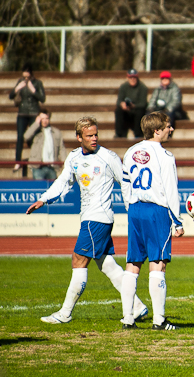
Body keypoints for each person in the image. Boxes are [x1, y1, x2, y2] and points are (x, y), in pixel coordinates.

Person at [26, 116, 148, 324]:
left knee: (78, 259)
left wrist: (133, 211)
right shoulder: (73, 157)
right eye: (89, 135)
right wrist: (43, 199)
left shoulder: (108, 157)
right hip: (89, 218)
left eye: (96, 134)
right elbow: (63, 181)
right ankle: (137, 306)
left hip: (98, 218)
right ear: (78, 137)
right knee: (106, 264)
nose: (94, 138)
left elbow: (126, 183)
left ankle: (65, 313)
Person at [120, 111, 184, 330]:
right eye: (168, 126)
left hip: (135, 209)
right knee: (158, 264)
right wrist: (177, 221)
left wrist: (130, 206)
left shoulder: (130, 151)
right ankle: (159, 320)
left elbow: (125, 182)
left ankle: (127, 318)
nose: (171, 129)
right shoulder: (165, 156)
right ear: (157, 130)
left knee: (133, 263)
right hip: (157, 212)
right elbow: (171, 190)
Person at [9, 64, 46, 176]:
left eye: (27, 77)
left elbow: (42, 98)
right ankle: (18, 161)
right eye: (24, 76)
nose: (25, 79)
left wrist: (33, 90)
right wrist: (16, 89)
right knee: (20, 137)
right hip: (22, 113)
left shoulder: (37, 83)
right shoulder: (20, 82)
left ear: (30, 74)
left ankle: (38, 159)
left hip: (34, 112)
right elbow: (11, 96)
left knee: (36, 136)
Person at [24, 109, 66, 180]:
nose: (45, 121)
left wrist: (65, 163)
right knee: (39, 189)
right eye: (42, 118)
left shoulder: (56, 132)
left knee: (53, 189)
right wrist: (36, 123)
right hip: (38, 167)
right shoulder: (36, 131)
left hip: (52, 167)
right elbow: (26, 136)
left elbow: (62, 149)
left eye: (46, 118)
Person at [115, 68, 148, 139]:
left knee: (140, 112)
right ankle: (119, 134)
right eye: (130, 77)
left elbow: (143, 104)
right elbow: (119, 101)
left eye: (134, 77)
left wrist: (133, 106)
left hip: (137, 110)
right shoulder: (123, 87)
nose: (132, 79)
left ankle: (138, 134)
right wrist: (122, 104)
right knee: (118, 110)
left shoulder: (142, 87)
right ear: (127, 78)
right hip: (126, 111)